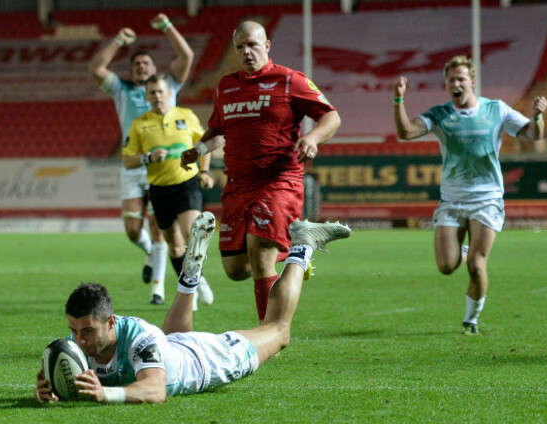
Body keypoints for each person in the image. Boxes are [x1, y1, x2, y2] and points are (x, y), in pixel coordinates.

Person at [34, 212, 351, 404]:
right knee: (165, 344)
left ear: (110, 323)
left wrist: (106, 394)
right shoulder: (81, 344)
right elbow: (76, 379)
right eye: (74, 330)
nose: (80, 341)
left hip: (210, 360)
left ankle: (302, 246)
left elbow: (156, 392)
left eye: (87, 331)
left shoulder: (139, 336)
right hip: (170, 348)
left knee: (278, 331)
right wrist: (52, 391)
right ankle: (189, 279)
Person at [180, 21, 341, 323]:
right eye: (240, 46)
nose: (246, 51)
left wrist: (311, 138)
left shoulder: (290, 79)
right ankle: (300, 252)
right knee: (236, 269)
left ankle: (269, 335)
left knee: (261, 253)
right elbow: (217, 130)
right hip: (238, 186)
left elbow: (331, 116)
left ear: (267, 46)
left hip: (278, 181)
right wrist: (199, 150)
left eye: (252, 44)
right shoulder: (226, 86)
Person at [393, 55, 547, 334]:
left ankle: (471, 320)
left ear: (472, 82)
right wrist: (398, 101)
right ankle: (463, 251)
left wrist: (537, 116)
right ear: (447, 84)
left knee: (477, 266)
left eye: (461, 78)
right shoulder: (440, 114)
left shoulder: (496, 110)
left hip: (486, 199)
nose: (456, 83)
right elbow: (406, 132)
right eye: (451, 79)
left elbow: (533, 134)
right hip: (451, 201)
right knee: (446, 266)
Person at [88, 13, 194, 305]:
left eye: (146, 63)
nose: (141, 67)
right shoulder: (121, 89)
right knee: (134, 231)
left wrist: (167, 27)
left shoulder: (167, 85)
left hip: (162, 165)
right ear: (132, 70)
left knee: (161, 231)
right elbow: (96, 67)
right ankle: (149, 252)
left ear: (154, 68)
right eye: (136, 64)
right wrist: (119, 40)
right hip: (134, 163)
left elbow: (186, 55)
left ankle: (157, 291)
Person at [122, 74, 216, 306]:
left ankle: (195, 281)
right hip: (159, 189)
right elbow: (127, 160)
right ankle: (193, 284)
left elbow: (205, 143)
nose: (157, 96)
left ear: (169, 93)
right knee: (174, 246)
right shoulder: (140, 124)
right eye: (152, 92)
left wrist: (204, 171)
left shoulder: (186, 116)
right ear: (147, 96)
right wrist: (147, 157)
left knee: (191, 233)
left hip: (187, 183)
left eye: (160, 91)